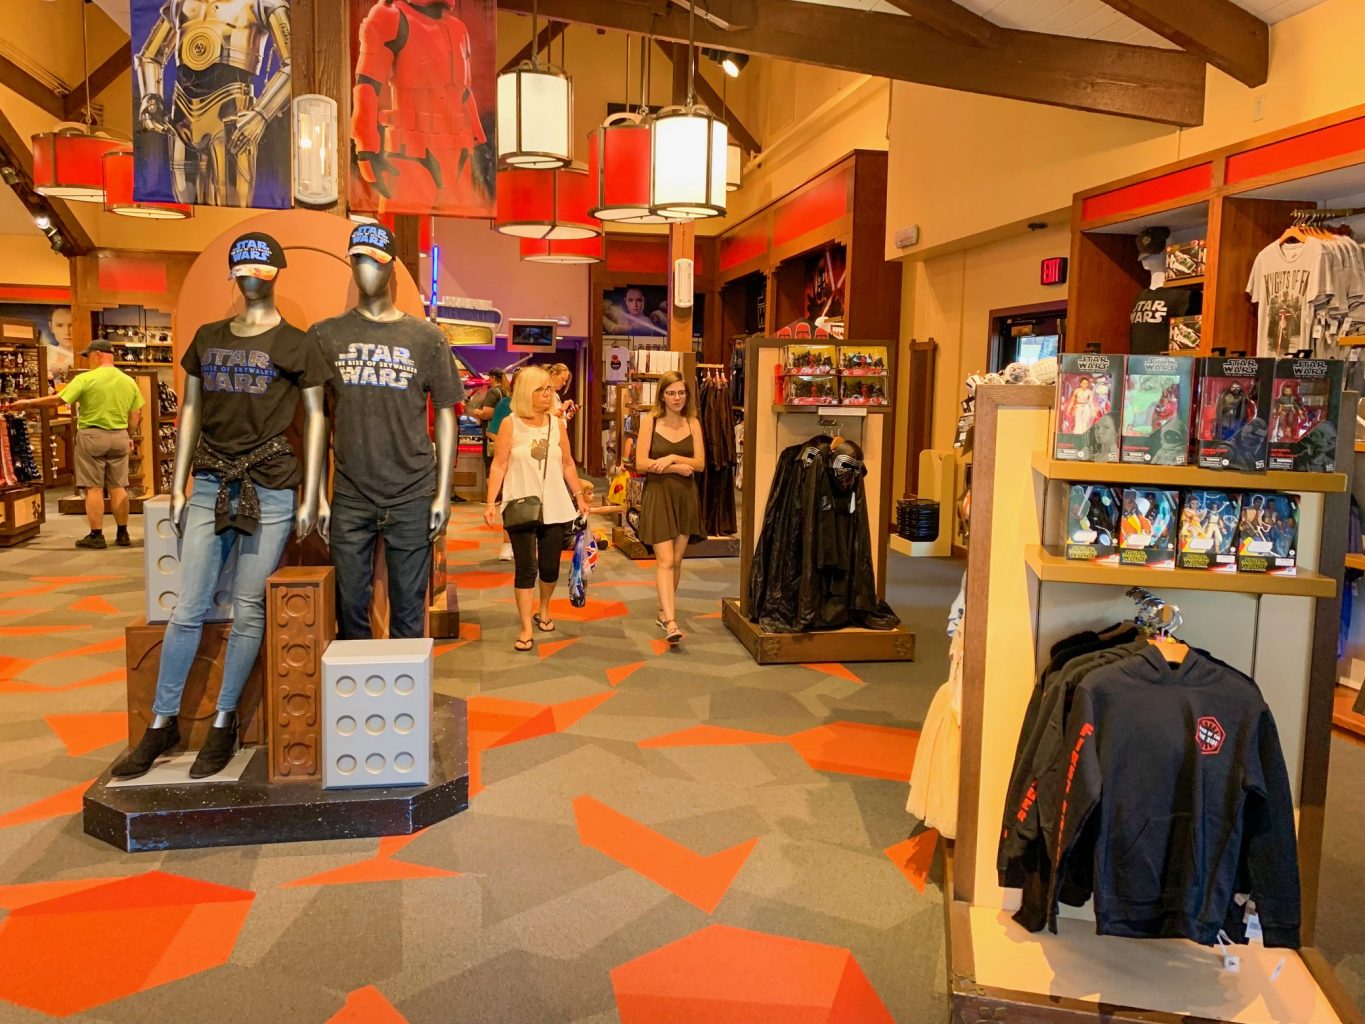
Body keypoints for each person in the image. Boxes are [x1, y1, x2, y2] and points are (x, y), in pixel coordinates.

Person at [483, 365, 590, 652]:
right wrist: (491, 500)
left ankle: (543, 609)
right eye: (542, 389)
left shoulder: (557, 425)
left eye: (549, 388)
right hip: (519, 504)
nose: (548, 393)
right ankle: (526, 627)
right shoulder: (510, 424)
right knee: (526, 568)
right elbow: (500, 464)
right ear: (526, 393)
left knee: (550, 567)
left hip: (555, 504)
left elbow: (568, 463)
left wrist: (579, 495)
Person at [12, 338, 144, 549]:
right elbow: (135, 413)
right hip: (119, 436)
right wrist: (129, 435)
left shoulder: (87, 379)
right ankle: (122, 533)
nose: (88, 361)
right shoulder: (128, 381)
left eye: (88, 356)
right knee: (119, 486)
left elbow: (58, 401)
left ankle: (96, 535)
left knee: (94, 488)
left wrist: (28, 403)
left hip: (92, 436)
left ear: (97, 355)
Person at [635, 369, 705, 645]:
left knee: (676, 561)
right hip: (659, 493)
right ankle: (671, 622)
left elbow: (699, 463)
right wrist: (675, 467)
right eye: (671, 392)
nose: (677, 398)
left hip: (686, 496)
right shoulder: (650, 423)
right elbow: (641, 463)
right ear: (662, 395)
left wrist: (674, 456)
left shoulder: (693, 423)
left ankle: (664, 610)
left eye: (681, 392)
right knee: (664, 560)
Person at [487, 369, 517, 561]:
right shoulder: (506, 404)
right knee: (510, 501)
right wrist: (507, 446)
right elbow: (491, 431)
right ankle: (507, 542)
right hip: (510, 462)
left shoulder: (541, 408)